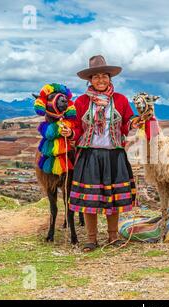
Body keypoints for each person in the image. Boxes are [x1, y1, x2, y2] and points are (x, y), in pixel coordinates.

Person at [60, 55, 140, 252]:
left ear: (110, 78)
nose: (101, 80)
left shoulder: (120, 100)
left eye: (104, 76)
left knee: (112, 197)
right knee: (90, 200)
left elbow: (127, 122)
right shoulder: (81, 102)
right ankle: (91, 239)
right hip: (90, 156)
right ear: (90, 80)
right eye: (96, 77)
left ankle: (113, 236)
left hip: (114, 155)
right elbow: (77, 127)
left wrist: (135, 122)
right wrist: (70, 132)